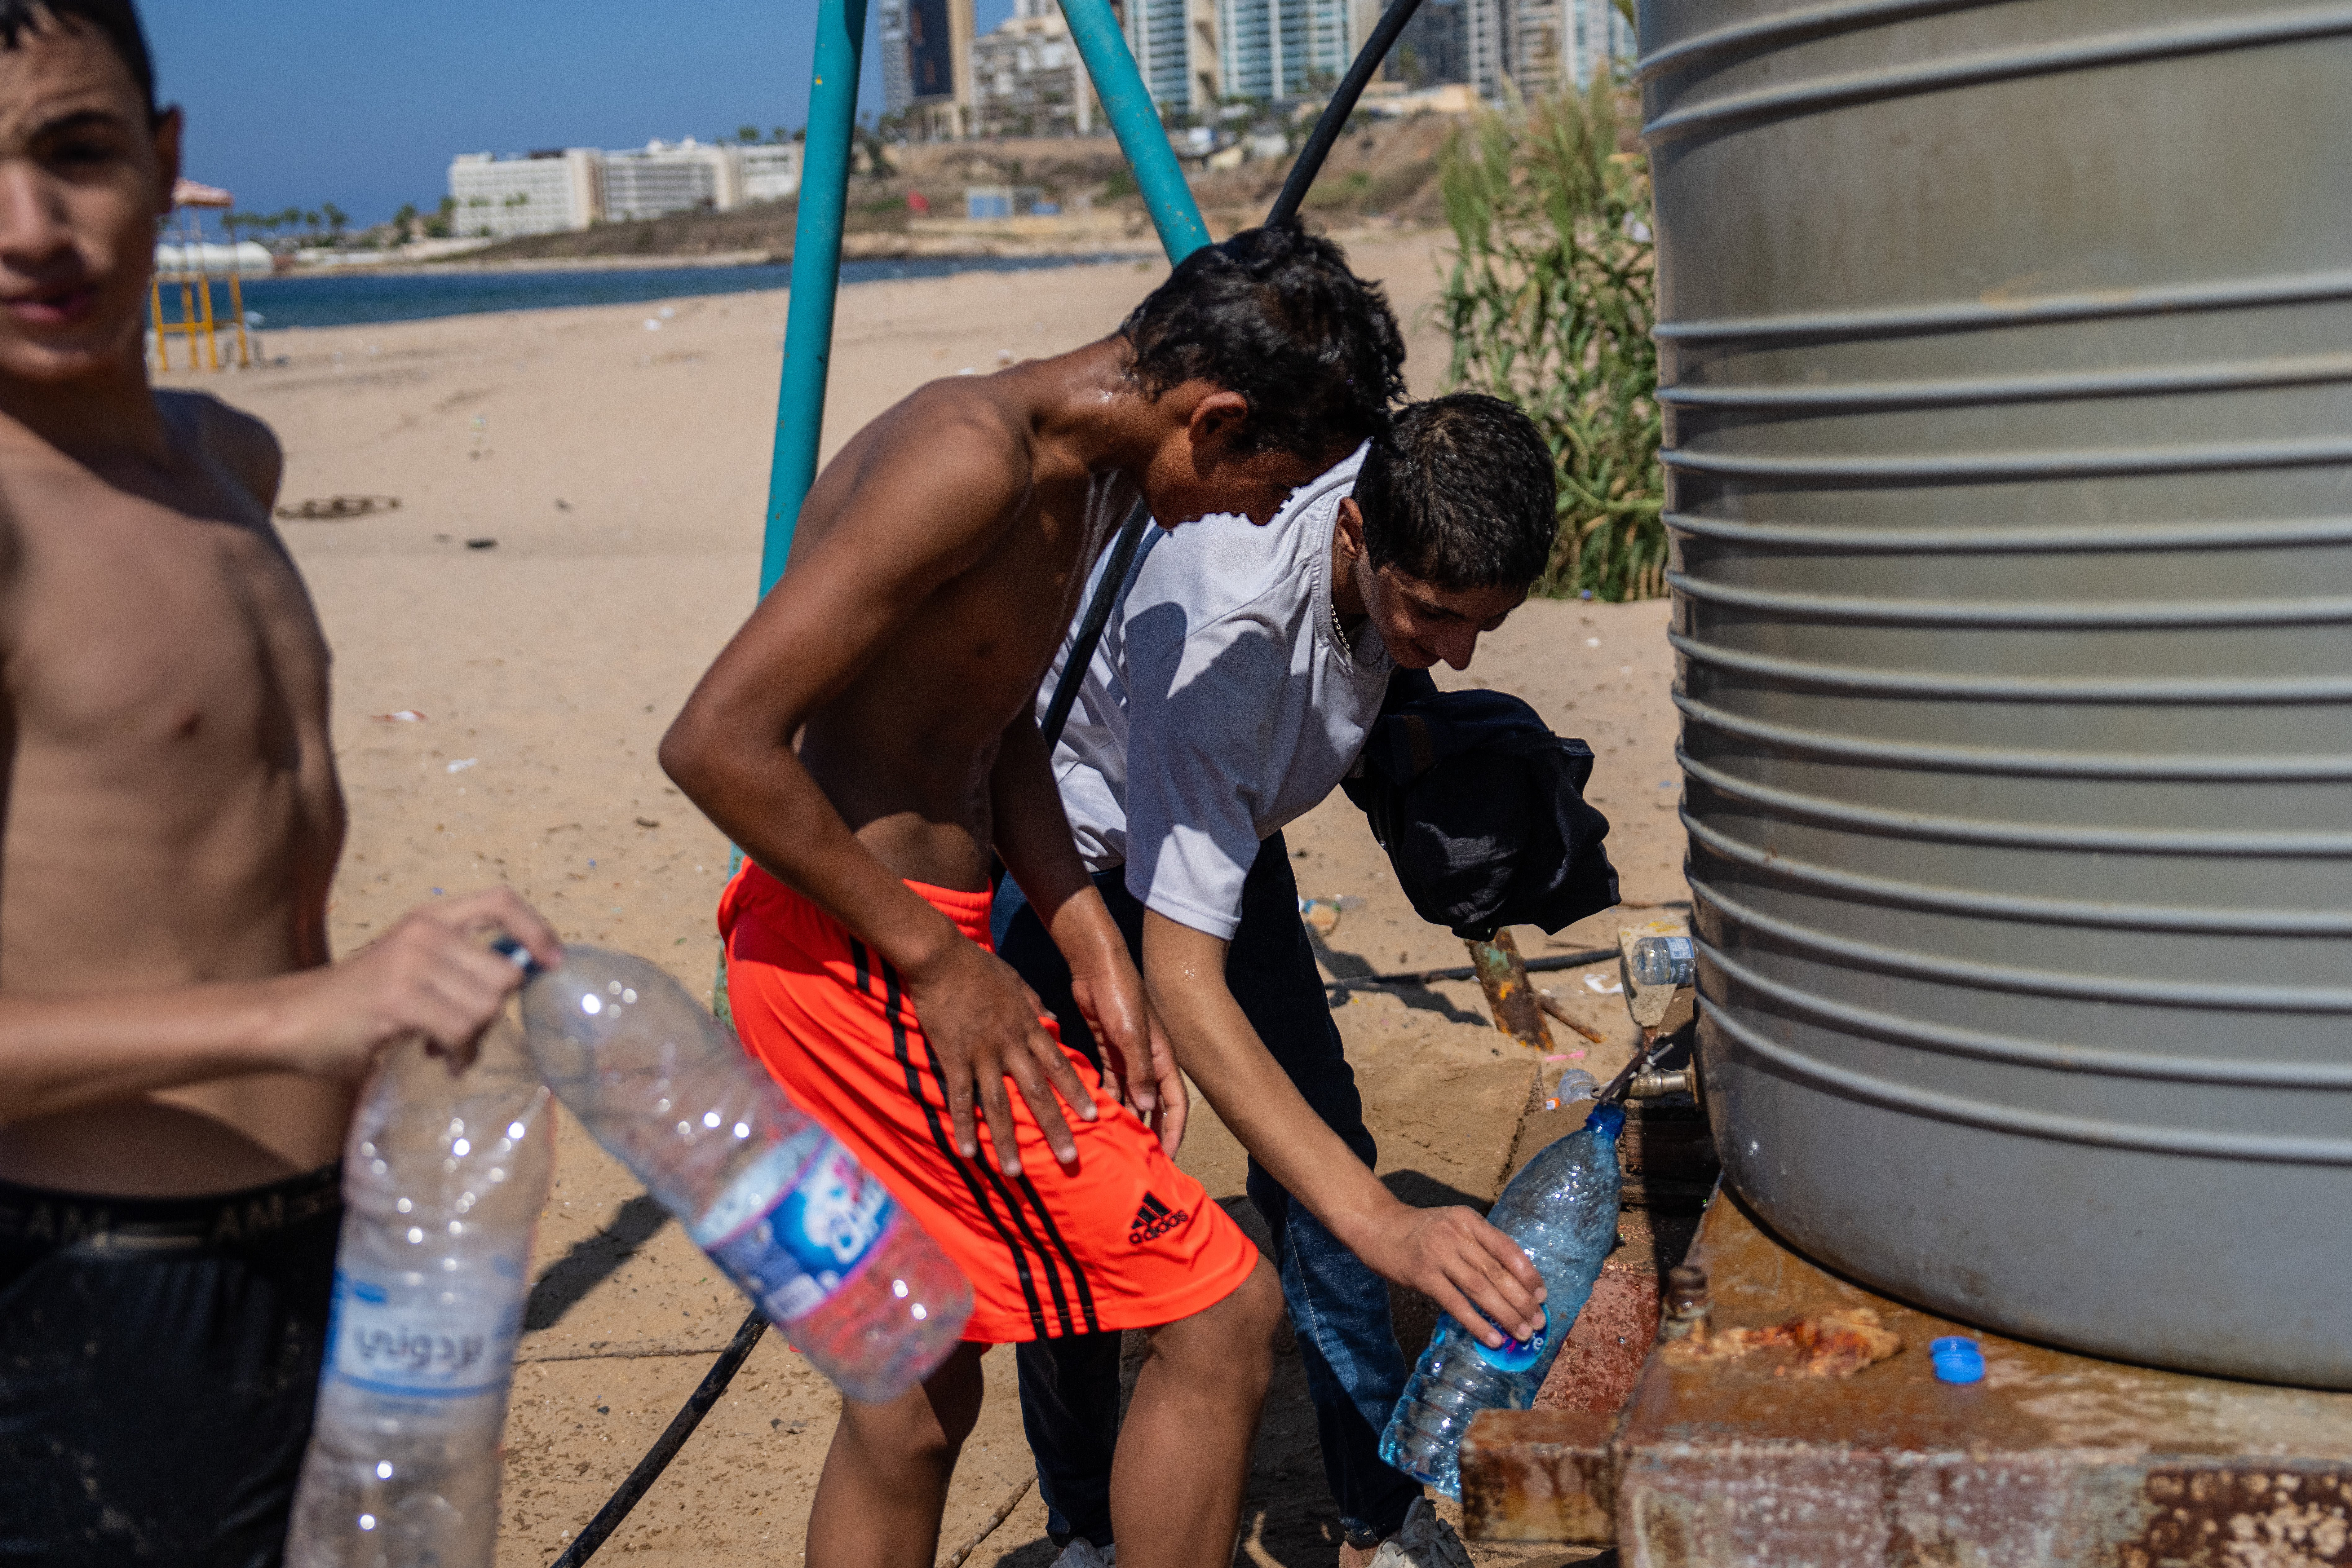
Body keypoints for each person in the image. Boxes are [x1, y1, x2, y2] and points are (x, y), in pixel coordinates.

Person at [662, 225, 1544, 1568]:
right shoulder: (968, 461)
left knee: (913, 1398)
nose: (1263, 517)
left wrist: (1082, 931)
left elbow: (994, 718)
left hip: (928, 935)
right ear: (1220, 415)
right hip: (869, 963)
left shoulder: (1080, 482)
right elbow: (717, 739)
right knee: (1219, 1308)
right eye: (1270, 486)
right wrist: (942, 962)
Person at [0, 4, 562, 1562]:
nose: (29, 228)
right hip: (92, 1285)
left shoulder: (226, 458)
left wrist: (391, 990)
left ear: (165, 160)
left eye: (77, 151)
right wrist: (302, 1014)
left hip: (332, 1241)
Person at [996, 393, 1563, 1568]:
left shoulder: (1393, 490)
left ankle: (1381, 1508)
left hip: (1228, 831)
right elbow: (1181, 981)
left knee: (1322, 1147)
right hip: (1073, 849)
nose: (1454, 651)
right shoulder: (1224, 641)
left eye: (1483, 627)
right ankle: (1084, 1528)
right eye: (1432, 614)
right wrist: (1395, 1229)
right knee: (1080, 1186)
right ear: (1354, 531)